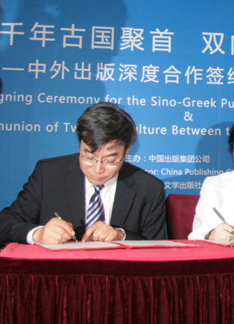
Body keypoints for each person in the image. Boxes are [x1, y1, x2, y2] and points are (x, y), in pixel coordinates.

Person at [0, 102, 166, 246]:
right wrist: (39, 234)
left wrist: (120, 236)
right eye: (88, 157)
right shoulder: (49, 174)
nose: (97, 169)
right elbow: (4, 224)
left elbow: (158, 248)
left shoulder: (149, 188)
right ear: (80, 145)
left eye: (109, 160)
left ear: (126, 152)